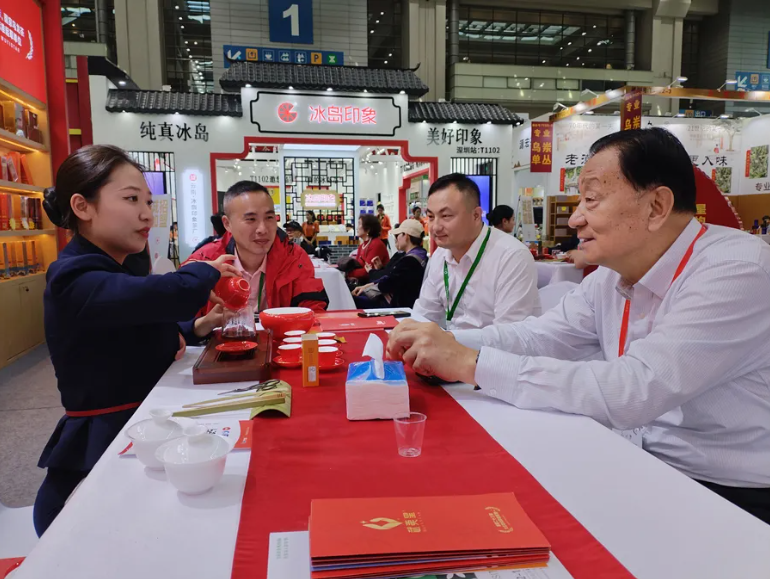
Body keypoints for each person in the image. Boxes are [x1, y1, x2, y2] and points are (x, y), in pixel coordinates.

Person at [387, 128, 770, 524]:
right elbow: (539, 336)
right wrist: (442, 342)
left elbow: (633, 389)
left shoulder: (735, 270)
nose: (575, 219)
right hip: (632, 457)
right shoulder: (611, 276)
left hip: (725, 491)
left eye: (591, 199)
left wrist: (470, 363)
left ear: (656, 207)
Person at [35, 145, 237, 536]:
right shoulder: (72, 277)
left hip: (140, 434)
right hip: (92, 474)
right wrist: (206, 270)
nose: (147, 214)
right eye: (131, 199)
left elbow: (133, 329)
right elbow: (160, 297)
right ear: (82, 206)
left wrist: (195, 327)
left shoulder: (114, 271)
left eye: (148, 201)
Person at [412, 173, 540, 330]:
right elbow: (424, 315)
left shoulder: (511, 256)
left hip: (494, 345)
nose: (436, 227)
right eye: (431, 217)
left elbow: (509, 334)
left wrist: (449, 339)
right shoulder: (440, 256)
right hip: (450, 342)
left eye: (446, 216)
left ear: (476, 215)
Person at [187, 181, 328, 314]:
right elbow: (182, 319)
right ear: (227, 224)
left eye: (269, 218)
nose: (263, 229)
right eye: (251, 219)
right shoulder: (205, 260)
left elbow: (313, 309)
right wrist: (203, 326)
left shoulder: (293, 257)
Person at [352, 219, 428, 308]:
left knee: (352, 300)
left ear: (406, 236)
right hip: (398, 302)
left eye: (398, 235)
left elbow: (389, 283)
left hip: (396, 306)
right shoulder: (417, 255)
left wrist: (367, 287)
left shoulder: (410, 260)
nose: (396, 238)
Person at [346, 213, 390, 282]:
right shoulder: (362, 246)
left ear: (368, 229)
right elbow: (357, 266)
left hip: (375, 284)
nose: (357, 228)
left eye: (359, 224)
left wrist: (347, 274)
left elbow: (368, 271)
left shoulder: (376, 244)